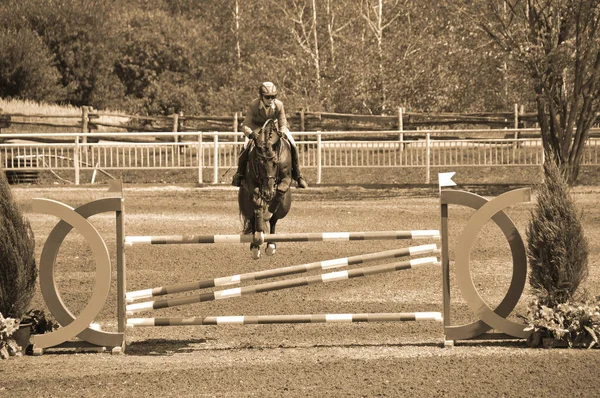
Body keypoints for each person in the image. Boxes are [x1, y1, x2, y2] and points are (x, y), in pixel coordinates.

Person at [232, 82, 308, 189]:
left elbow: (283, 121)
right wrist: (250, 133)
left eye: (273, 96)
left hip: (274, 127)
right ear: (261, 96)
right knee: (246, 146)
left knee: (293, 144)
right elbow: (245, 125)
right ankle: (239, 174)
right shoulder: (253, 105)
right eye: (267, 97)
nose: (270, 99)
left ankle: (298, 175)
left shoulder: (279, 105)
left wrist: (282, 130)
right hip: (256, 128)